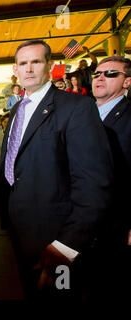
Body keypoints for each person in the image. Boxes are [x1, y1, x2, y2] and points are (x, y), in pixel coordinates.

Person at [0, 40, 113, 299]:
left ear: (49, 66)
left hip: (58, 237)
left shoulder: (76, 107)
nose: (28, 69)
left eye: (36, 62)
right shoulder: (17, 109)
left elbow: (94, 183)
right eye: (22, 64)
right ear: (15, 70)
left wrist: (67, 246)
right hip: (21, 232)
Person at [89, 55, 131, 298]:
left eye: (111, 74)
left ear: (127, 82)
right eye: (97, 74)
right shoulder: (83, 115)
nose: (100, 78)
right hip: (82, 222)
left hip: (115, 222)